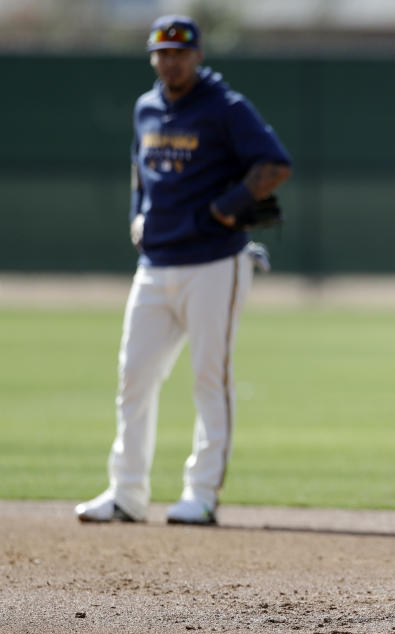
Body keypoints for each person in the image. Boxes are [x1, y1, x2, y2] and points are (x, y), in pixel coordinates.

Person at [74, 15, 292, 526]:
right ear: (153, 57)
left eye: (179, 51)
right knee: (134, 378)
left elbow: (274, 163)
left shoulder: (225, 107)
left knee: (208, 379)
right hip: (155, 264)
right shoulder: (146, 107)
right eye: (162, 52)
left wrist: (226, 207)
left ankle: (201, 493)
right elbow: (139, 167)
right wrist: (136, 214)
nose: (170, 60)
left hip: (215, 261)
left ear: (196, 55)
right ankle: (126, 492)